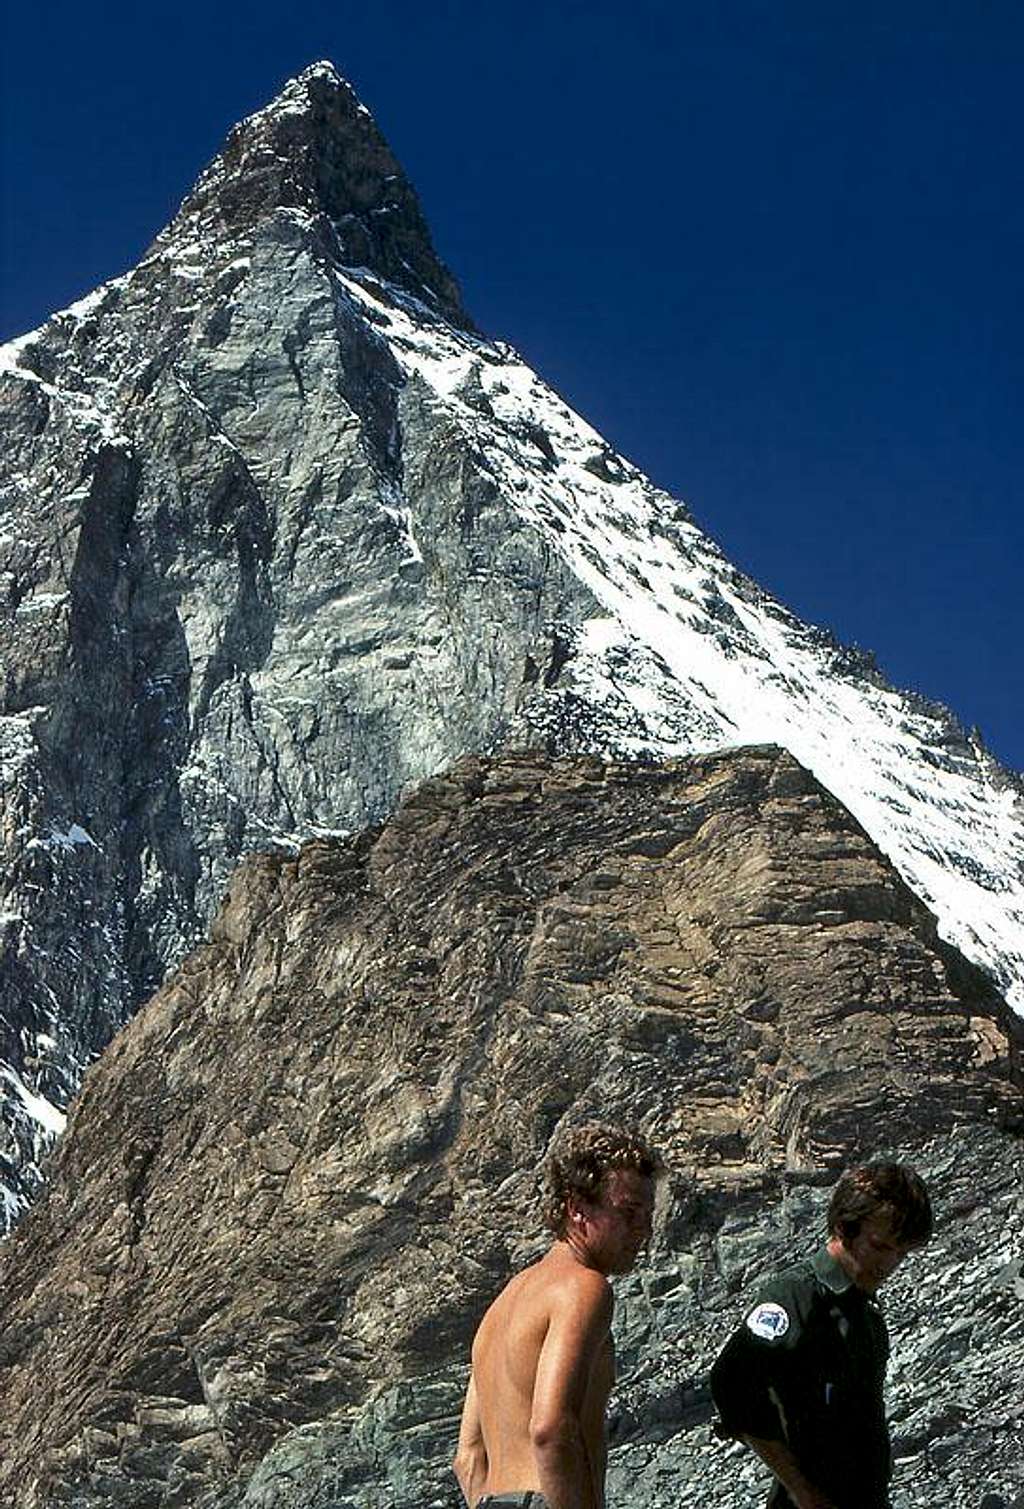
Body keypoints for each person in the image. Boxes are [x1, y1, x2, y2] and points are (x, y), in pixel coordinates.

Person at [452, 1122, 662, 1509]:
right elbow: (550, 1428)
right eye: (629, 1212)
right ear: (577, 1209)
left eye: (648, 1213)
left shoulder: (504, 1303)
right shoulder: (583, 1288)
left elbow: (468, 1457)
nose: (644, 1229)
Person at [710, 1161, 934, 1509]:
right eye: (879, 1246)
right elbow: (732, 1385)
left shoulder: (863, 1312)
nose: (889, 1265)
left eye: (900, 1253)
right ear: (845, 1228)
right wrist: (801, 1489)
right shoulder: (796, 1297)